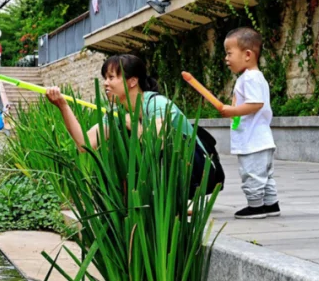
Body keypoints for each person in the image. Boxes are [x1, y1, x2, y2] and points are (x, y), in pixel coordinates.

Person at [44, 54, 223, 196]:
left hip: (196, 174)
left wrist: (130, 123)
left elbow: (158, 144)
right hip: (159, 180)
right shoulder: (118, 112)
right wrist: (63, 106)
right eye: (105, 78)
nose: (105, 83)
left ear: (132, 81)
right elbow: (84, 144)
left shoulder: (157, 104)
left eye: (111, 77)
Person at [217, 27, 278, 220]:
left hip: (253, 141)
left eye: (229, 53)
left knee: (251, 174)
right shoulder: (253, 77)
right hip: (260, 139)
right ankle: (270, 204)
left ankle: (256, 206)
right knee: (265, 176)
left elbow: (255, 103)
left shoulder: (250, 77)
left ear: (248, 54)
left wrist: (232, 111)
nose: (226, 58)